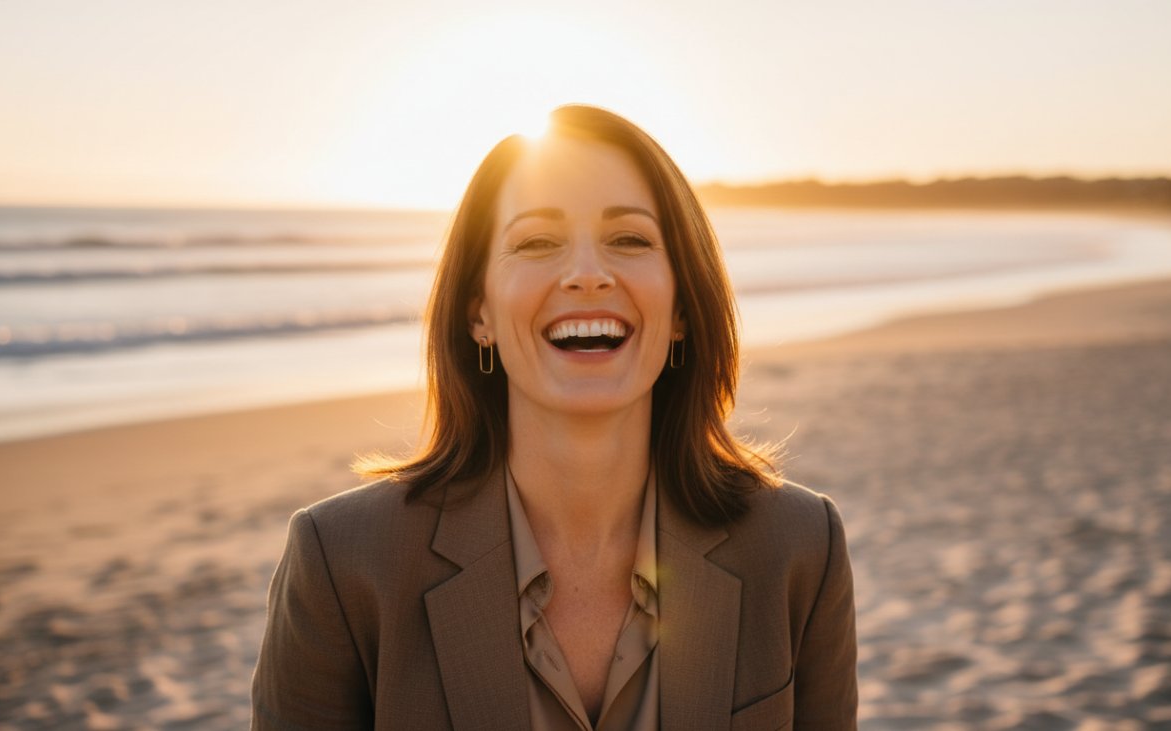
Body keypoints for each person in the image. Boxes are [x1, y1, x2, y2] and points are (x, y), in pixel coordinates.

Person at [251, 105, 857, 730]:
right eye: (537, 242)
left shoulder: (801, 547)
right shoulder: (343, 562)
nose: (587, 275)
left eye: (630, 240)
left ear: (681, 307)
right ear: (478, 313)